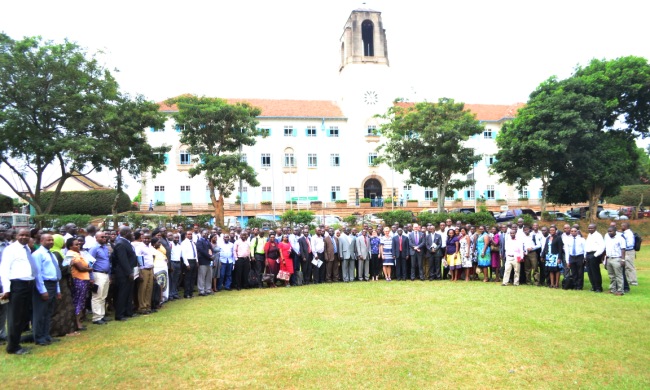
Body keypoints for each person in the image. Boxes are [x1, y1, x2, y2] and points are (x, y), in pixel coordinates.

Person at [0, 229, 36, 354]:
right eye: (21, 235)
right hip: (17, 285)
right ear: (16, 236)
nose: (24, 237)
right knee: (15, 317)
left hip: (28, 285)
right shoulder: (10, 249)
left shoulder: (27, 249)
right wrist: (7, 289)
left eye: (27, 235)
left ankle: (17, 342)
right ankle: (12, 347)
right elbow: (4, 269)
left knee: (22, 316)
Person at [31, 233, 61, 346]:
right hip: (44, 285)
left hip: (53, 284)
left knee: (48, 312)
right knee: (40, 313)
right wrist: (42, 290)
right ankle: (38, 337)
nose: (51, 242)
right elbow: (37, 274)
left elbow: (56, 273)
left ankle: (46, 335)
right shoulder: (38, 254)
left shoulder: (51, 254)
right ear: (42, 241)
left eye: (52, 240)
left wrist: (58, 290)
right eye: (48, 240)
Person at [111, 227, 137, 321]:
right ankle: (120, 315)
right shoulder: (121, 243)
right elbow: (123, 260)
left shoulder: (126, 242)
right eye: (131, 232)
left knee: (129, 293)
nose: (132, 233)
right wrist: (129, 272)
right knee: (122, 293)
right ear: (126, 233)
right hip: (123, 273)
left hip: (129, 271)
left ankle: (128, 312)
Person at [67, 237, 93, 331]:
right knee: (78, 301)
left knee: (81, 301)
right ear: (70, 246)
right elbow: (80, 268)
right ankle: (77, 323)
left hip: (84, 279)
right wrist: (90, 269)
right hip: (78, 280)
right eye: (76, 244)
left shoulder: (78, 254)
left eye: (79, 244)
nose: (78, 245)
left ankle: (78, 321)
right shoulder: (70, 254)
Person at [89, 232, 111, 325]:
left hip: (105, 274)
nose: (104, 238)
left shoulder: (105, 248)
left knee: (103, 296)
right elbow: (89, 263)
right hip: (97, 274)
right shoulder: (94, 248)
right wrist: (91, 277)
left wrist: (109, 275)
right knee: (97, 296)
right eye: (102, 237)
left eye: (105, 237)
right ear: (96, 238)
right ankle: (96, 317)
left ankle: (102, 315)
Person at [604, 226, 626, 296]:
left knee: (618, 275)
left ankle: (620, 290)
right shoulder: (607, 239)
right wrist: (605, 259)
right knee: (611, 275)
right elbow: (605, 249)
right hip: (609, 258)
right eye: (608, 231)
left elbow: (623, 249)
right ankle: (612, 289)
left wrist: (623, 259)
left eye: (611, 231)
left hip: (617, 258)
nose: (609, 233)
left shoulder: (620, 239)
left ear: (615, 231)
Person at [585, 223, 605, 293]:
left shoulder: (598, 235)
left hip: (594, 255)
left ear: (595, 228)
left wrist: (595, 255)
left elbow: (602, 246)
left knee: (595, 272)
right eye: (589, 228)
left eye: (592, 228)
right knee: (589, 272)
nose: (590, 229)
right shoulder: (589, 235)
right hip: (588, 254)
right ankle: (593, 286)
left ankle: (598, 287)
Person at [180, 231, 198, 297]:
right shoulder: (184, 243)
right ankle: (186, 293)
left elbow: (195, 252)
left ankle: (191, 292)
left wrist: (197, 261)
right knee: (187, 278)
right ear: (185, 235)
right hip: (188, 261)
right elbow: (183, 254)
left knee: (193, 278)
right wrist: (187, 264)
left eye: (191, 234)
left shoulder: (193, 242)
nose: (190, 235)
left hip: (194, 261)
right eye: (188, 234)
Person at [196, 230, 213, 296]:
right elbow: (201, 250)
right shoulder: (199, 241)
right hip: (202, 261)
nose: (206, 234)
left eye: (207, 233)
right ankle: (201, 291)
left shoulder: (208, 241)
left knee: (209, 276)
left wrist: (212, 256)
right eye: (204, 233)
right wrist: (209, 256)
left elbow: (211, 249)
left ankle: (208, 289)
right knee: (202, 277)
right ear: (201, 233)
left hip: (209, 261)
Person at [168, 233, 182, 300]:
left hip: (178, 263)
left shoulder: (179, 245)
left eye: (177, 238)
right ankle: (170, 294)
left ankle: (175, 293)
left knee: (176, 279)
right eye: (175, 238)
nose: (176, 239)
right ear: (172, 238)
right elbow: (169, 255)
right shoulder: (170, 245)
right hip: (172, 263)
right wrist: (170, 265)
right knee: (171, 279)